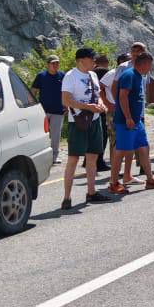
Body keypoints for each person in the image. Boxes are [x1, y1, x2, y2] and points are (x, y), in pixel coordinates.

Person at [60, 47, 113, 209]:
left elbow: (97, 96)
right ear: (81, 60)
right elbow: (66, 101)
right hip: (78, 122)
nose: (94, 61)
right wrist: (88, 107)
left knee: (92, 157)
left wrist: (101, 105)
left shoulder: (93, 75)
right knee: (73, 159)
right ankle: (67, 197)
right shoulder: (70, 76)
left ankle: (91, 192)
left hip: (95, 120)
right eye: (91, 58)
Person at [110, 51, 154, 194]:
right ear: (144, 64)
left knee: (143, 148)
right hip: (126, 121)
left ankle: (150, 180)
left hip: (137, 121)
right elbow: (122, 97)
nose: (151, 67)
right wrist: (128, 117)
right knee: (120, 151)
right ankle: (113, 183)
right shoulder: (129, 75)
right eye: (150, 65)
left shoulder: (139, 76)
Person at [30, 55, 65, 165]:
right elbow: (33, 91)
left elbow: (67, 92)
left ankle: (54, 157)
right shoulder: (41, 76)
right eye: (53, 63)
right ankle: (39, 157)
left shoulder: (62, 76)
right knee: (41, 134)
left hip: (58, 110)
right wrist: (33, 106)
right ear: (48, 64)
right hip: (43, 111)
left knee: (55, 135)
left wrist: (67, 106)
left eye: (57, 63)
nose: (55, 65)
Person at [93, 54, 112, 172]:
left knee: (94, 135)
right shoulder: (104, 72)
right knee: (103, 135)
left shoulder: (90, 72)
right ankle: (99, 162)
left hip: (92, 107)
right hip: (103, 106)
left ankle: (89, 160)